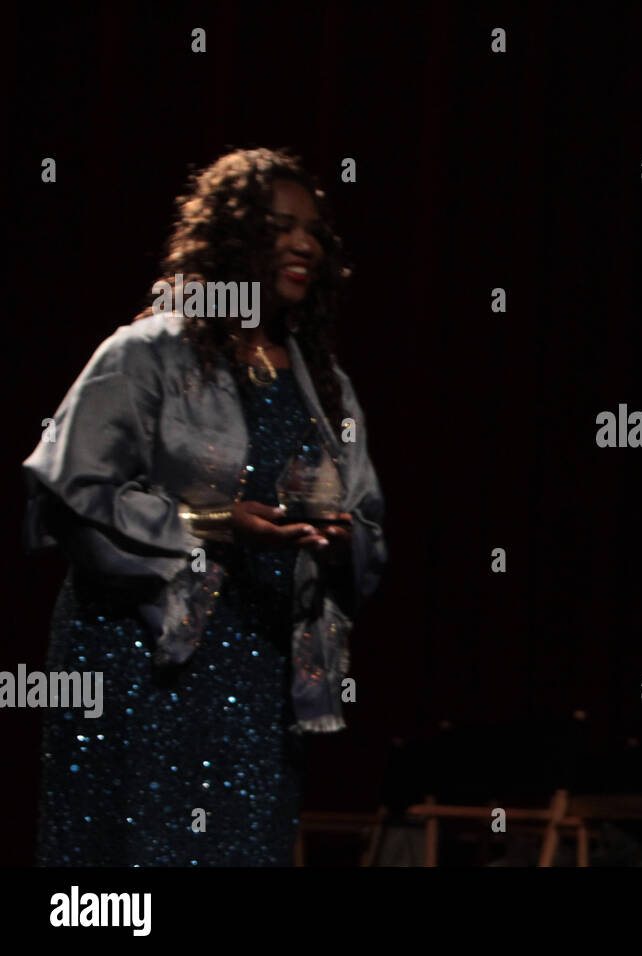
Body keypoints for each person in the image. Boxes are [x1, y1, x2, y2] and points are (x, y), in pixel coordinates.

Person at [22, 148, 386, 865]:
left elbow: (370, 519)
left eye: (314, 231)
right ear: (231, 238)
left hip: (257, 671)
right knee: (133, 854)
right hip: (142, 664)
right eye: (281, 227)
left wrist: (343, 545)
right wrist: (217, 525)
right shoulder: (148, 353)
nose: (305, 244)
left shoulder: (324, 384)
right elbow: (73, 498)